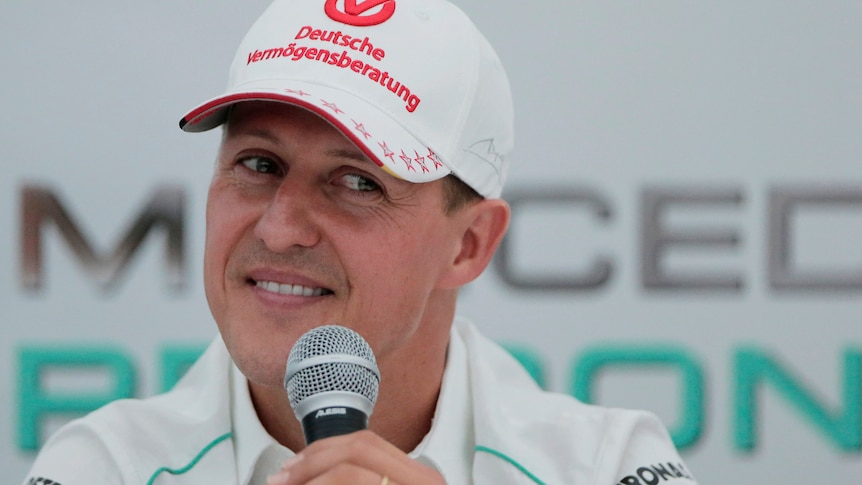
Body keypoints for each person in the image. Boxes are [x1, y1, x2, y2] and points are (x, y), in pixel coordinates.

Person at [24, 0, 698, 483]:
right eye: (258, 164)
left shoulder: (613, 465)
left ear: (467, 243)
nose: (280, 227)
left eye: (356, 183)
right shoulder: (98, 467)